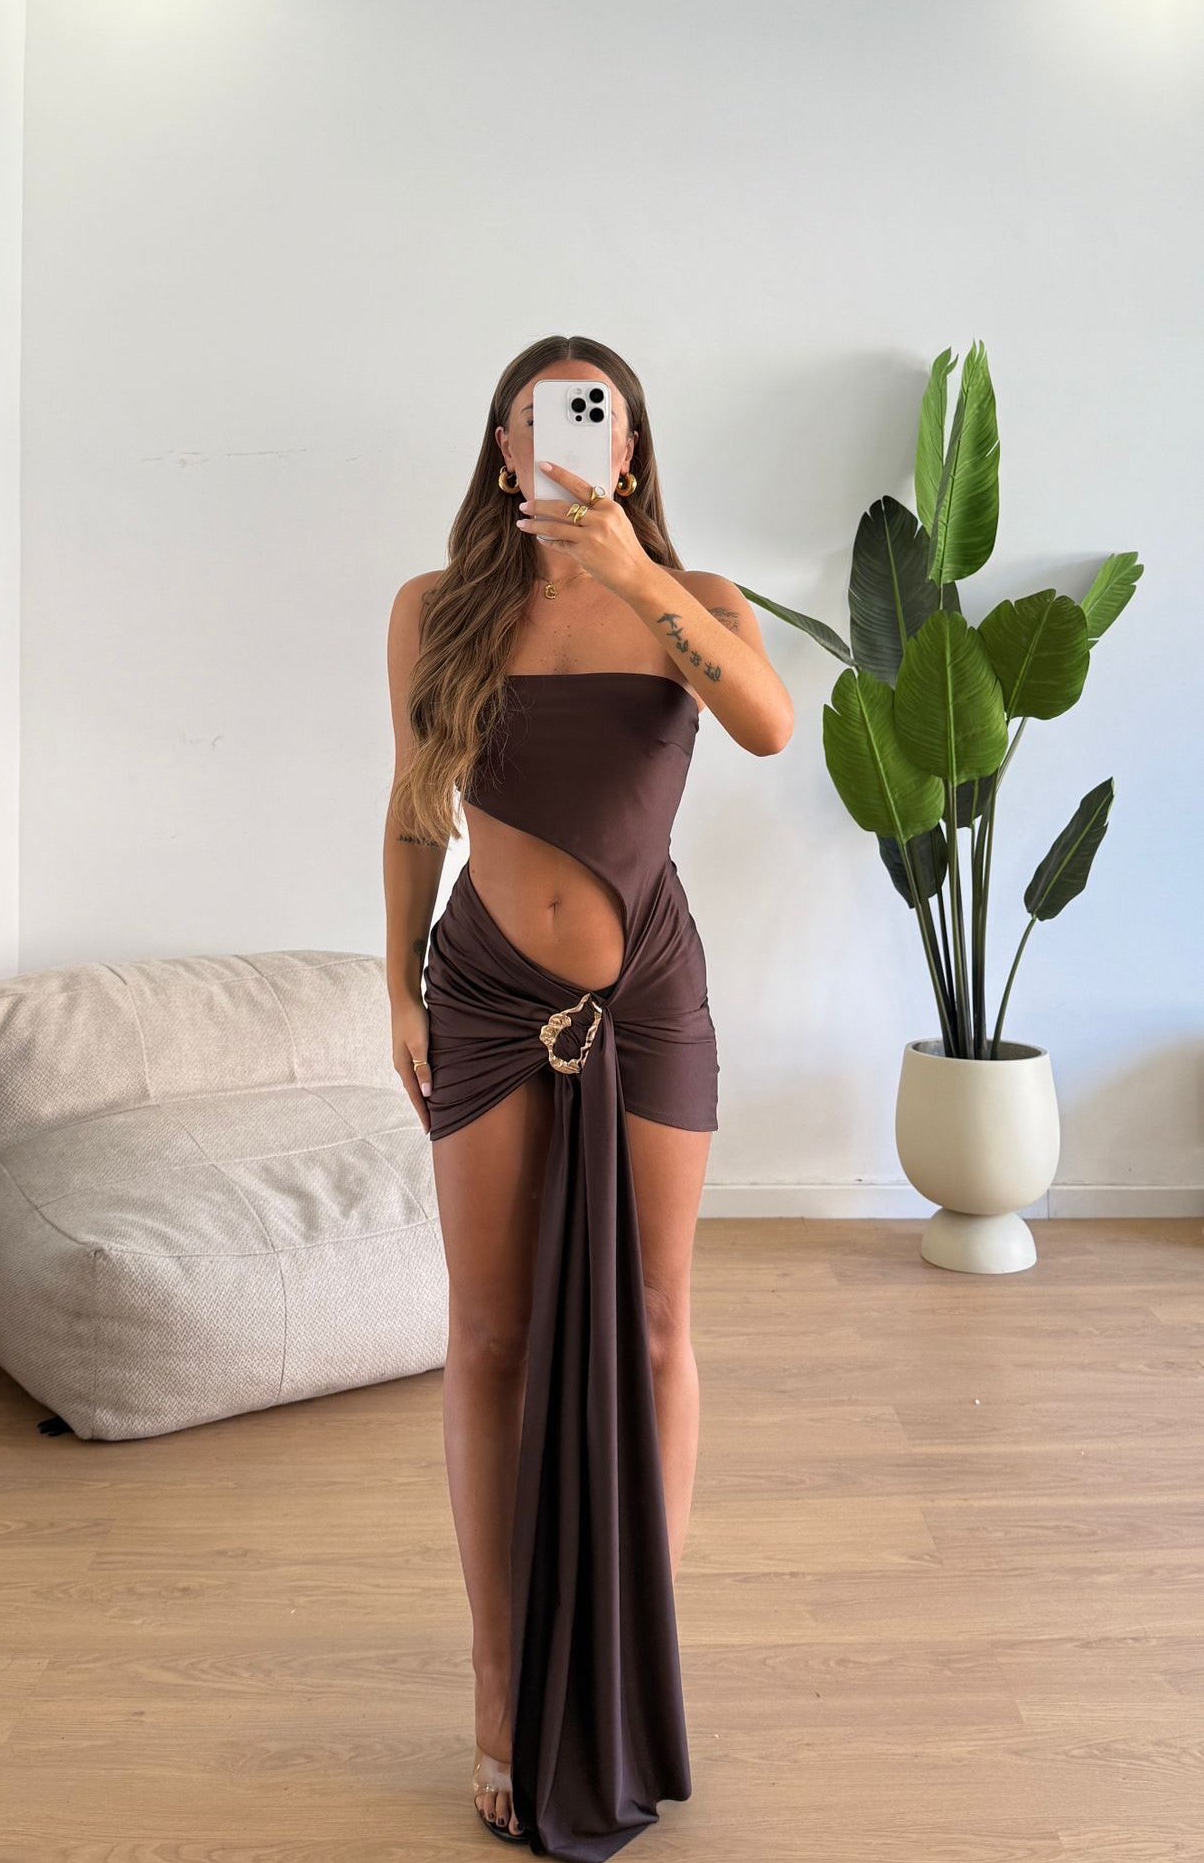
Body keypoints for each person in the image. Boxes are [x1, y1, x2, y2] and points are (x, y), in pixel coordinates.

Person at [383, 335, 793, 1858]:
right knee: (487, 1333)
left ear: (626, 452)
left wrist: (631, 574)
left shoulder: (698, 602)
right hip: (486, 994)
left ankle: (626, 1669)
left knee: (661, 1321)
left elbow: (767, 724)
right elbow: (414, 807)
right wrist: (395, 982)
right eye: (539, 420)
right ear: (505, 451)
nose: (566, 440)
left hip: (649, 996)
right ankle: (499, 1686)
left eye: (595, 420)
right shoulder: (434, 609)